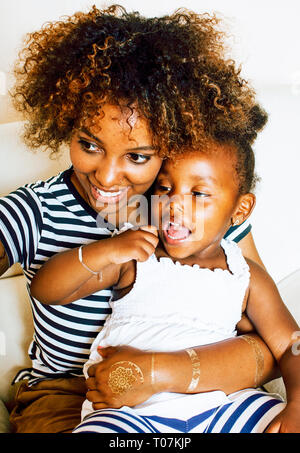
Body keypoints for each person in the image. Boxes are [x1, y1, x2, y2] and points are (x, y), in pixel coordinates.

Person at [1, 5, 278, 433]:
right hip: (72, 392)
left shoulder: (194, 215)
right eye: (88, 144)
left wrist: (162, 373)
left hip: (196, 387)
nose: (107, 177)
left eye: (137, 156)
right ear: (67, 124)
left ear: (170, 143)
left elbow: (266, 340)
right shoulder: (36, 210)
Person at [31, 140, 300, 433]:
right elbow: (46, 289)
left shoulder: (246, 275)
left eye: (198, 193)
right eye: (164, 188)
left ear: (240, 208)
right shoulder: (137, 254)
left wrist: (297, 405)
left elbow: (290, 344)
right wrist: (107, 251)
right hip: (131, 414)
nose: (174, 205)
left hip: (225, 405)